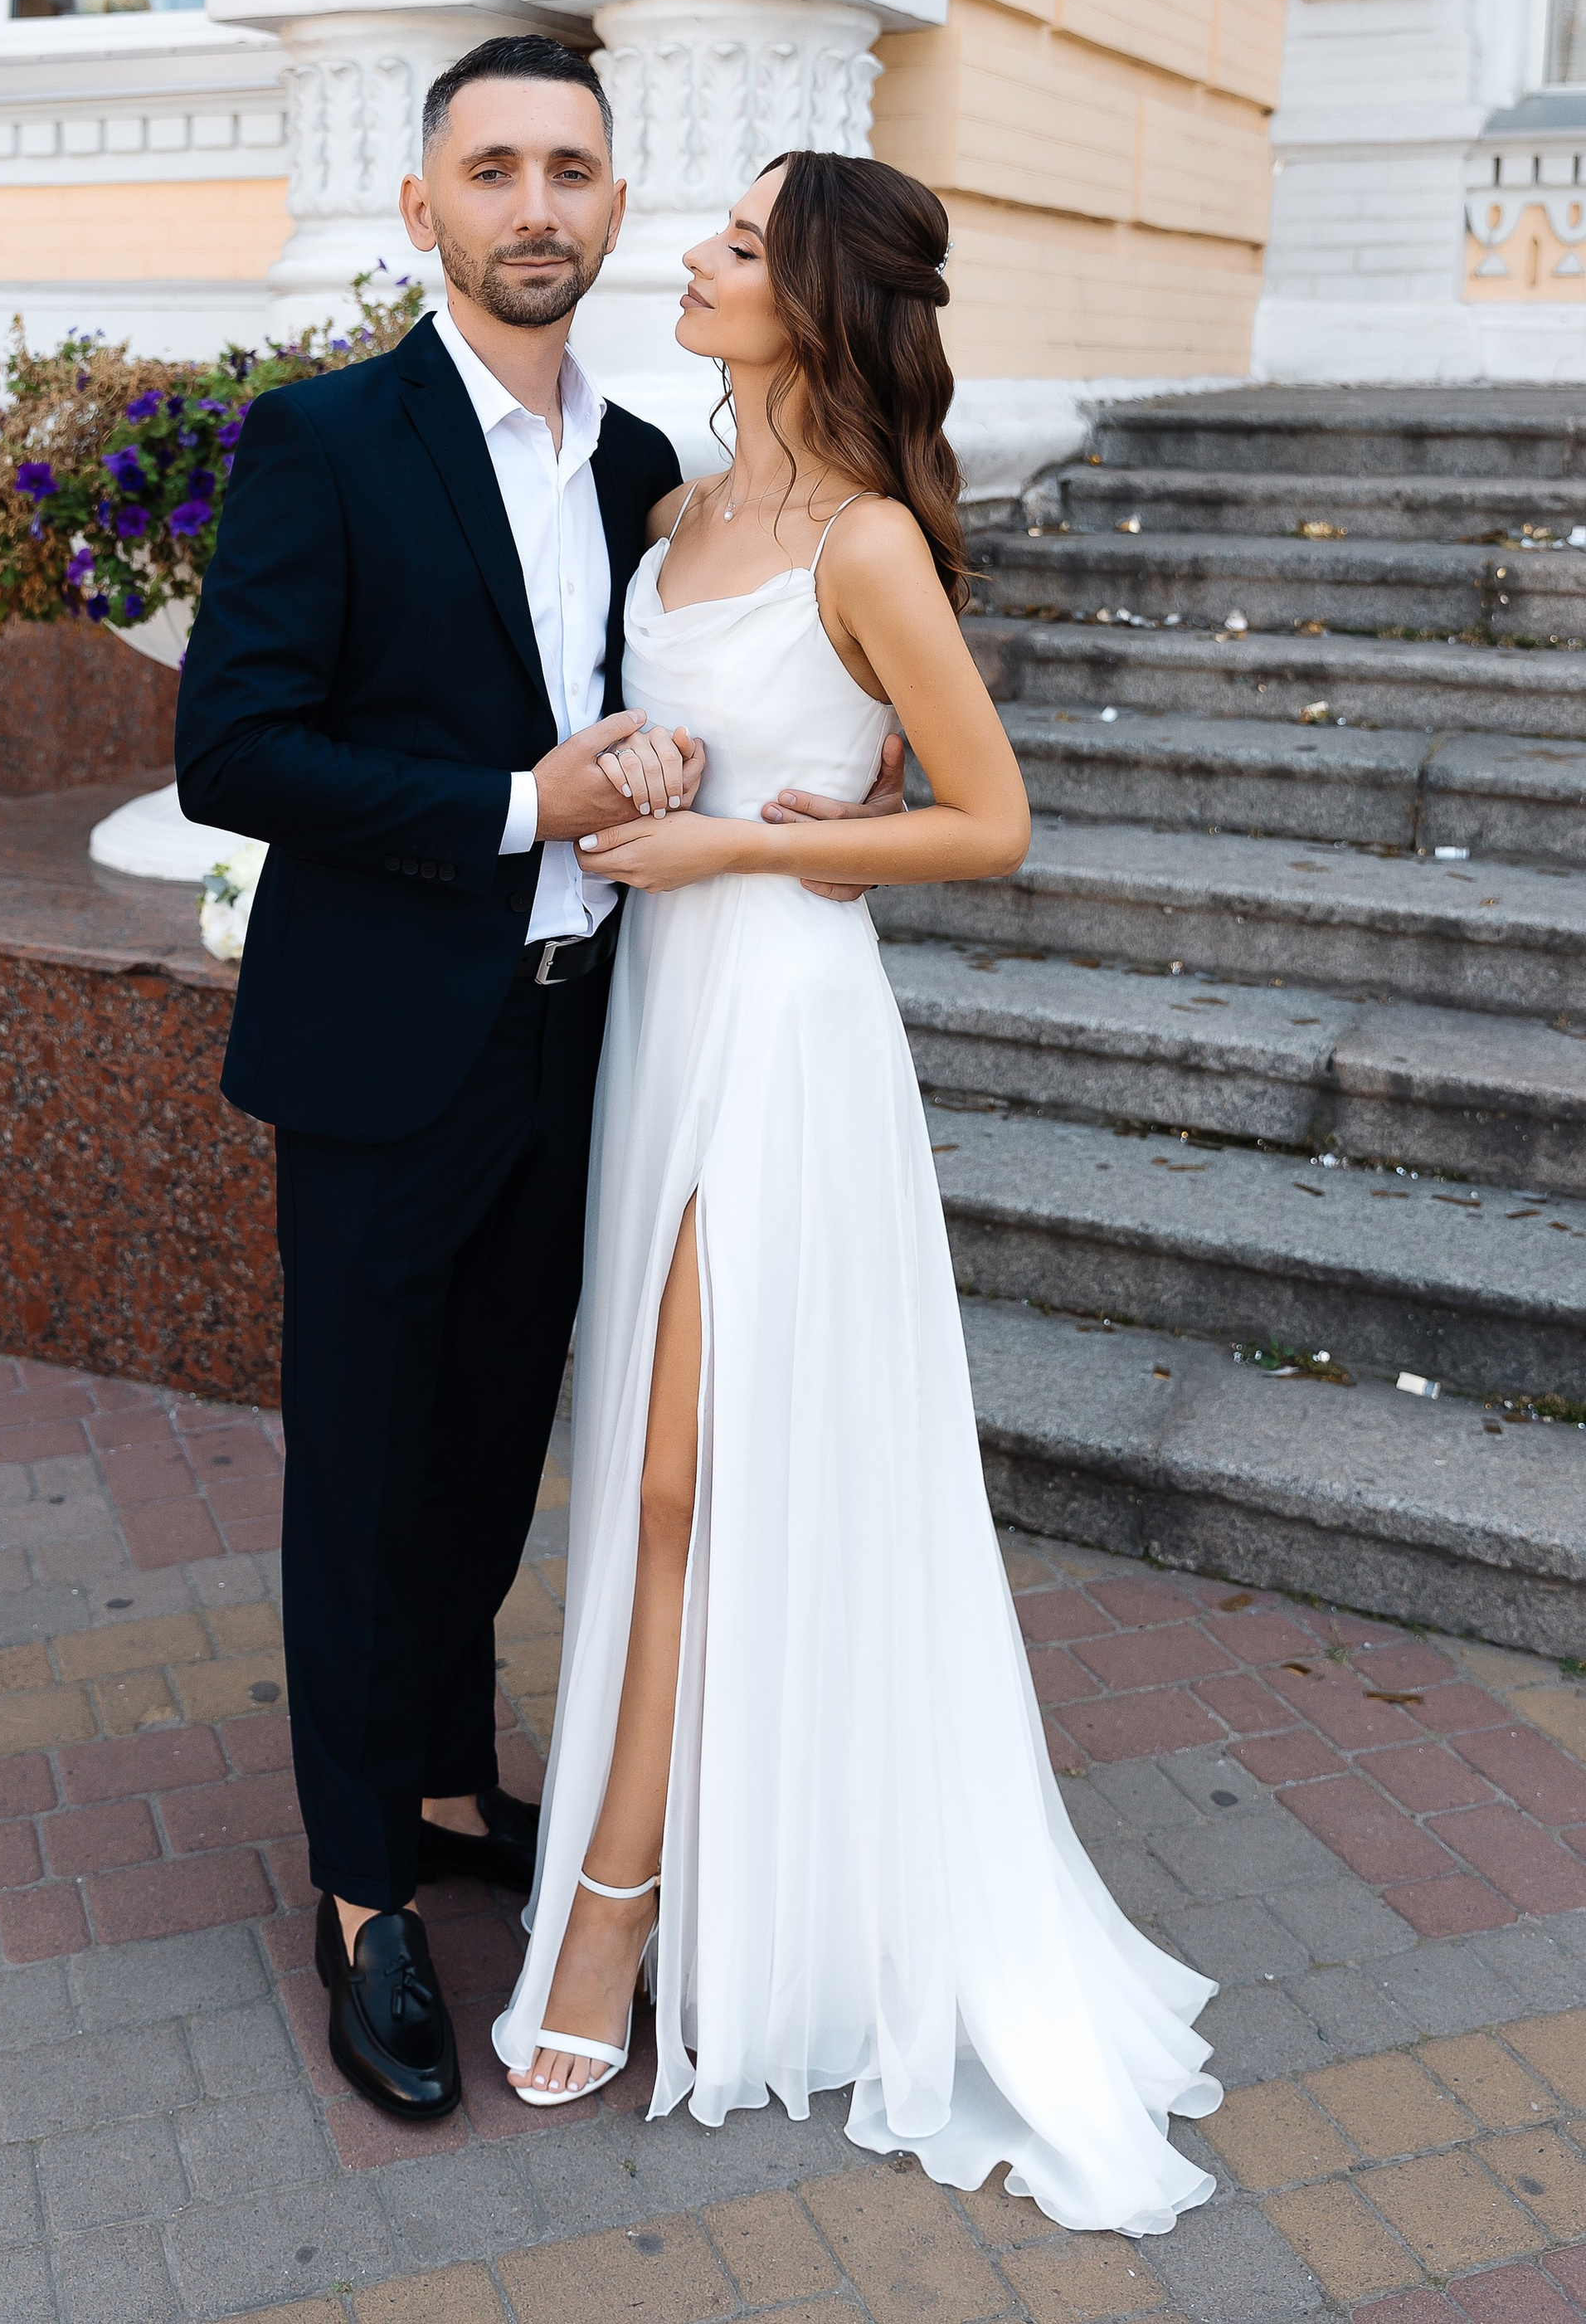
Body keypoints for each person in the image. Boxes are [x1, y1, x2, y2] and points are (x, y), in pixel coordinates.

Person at [491, 149, 1224, 2239]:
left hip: (783, 1033)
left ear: (807, 298)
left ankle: (614, 1918)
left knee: (675, 1483)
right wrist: (640, 765)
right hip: (654, 1030)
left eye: (732, 243)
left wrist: (737, 848)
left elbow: (989, 822)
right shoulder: (666, 508)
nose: (692, 261)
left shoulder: (872, 540)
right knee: (650, 1467)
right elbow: (683, 732)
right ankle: (706, 1860)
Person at [173, 40, 899, 2122]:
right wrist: (520, 798)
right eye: (488, 169)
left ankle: (427, 1772)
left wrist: (696, 772)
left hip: (593, 1043)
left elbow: (677, 692)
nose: (533, 205)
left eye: (569, 168)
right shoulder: (322, 442)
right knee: (361, 1474)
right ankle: (353, 1898)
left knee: (491, 1453)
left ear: (607, 198)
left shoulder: (644, 460)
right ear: (423, 210)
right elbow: (234, 750)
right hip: (382, 1051)